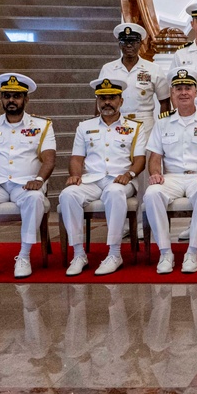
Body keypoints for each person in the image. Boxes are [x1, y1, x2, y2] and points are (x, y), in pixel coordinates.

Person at [0, 73, 56, 281]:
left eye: (16, 96)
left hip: (25, 185)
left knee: (35, 198)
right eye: (6, 96)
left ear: (26, 99)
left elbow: (49, 159)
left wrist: (39, 181)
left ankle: (24, 256)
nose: (11, 100)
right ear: (1, 98)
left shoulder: (42, 126)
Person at [58, 76, 146, 277]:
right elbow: (76, 158)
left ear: (121, 101)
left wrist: (129, 174)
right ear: (97, 101)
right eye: (102, 98)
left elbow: (140, 159)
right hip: (92, 179)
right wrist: (75, 175)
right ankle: (78, 254)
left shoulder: (135, 127)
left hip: (121, 180)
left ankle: (114, 253)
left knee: (114, 192)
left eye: (111, 98)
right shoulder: (84, 127)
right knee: (68, 194)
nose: (107, 102)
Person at [144, 68, 197, 274]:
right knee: (151, 194)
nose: (183, 93)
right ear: (172, 93)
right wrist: (155, 174)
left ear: (196, 92)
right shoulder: (163, 122)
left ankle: (192, 252)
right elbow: (155, 157)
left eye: (188, 88)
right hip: (171, 177)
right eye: (178, 88)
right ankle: (165, 252)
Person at [98, 23, 171, 139]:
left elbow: (165, 102)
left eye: (133, 42)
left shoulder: (153, 69)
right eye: (125, 42)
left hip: (145, 125)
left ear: (140, 44)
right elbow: (99, 99)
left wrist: (164, 127)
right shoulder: (108, 69)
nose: (129, 45)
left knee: (145, 152)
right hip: (116, 122)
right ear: (119, 44)